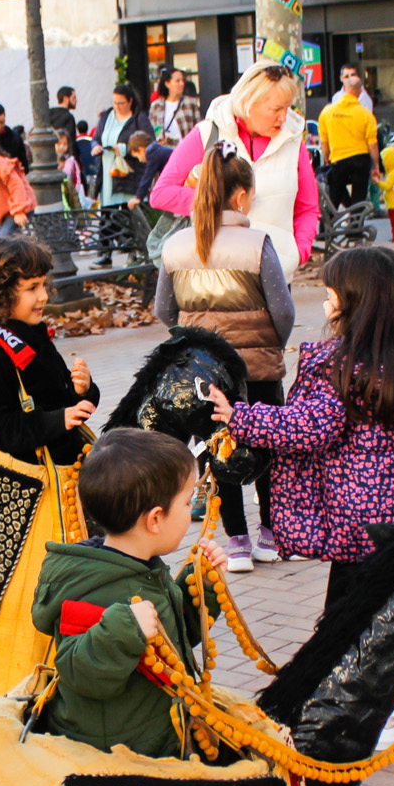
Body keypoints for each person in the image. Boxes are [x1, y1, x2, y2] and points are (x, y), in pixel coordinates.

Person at [205, 245, 394, 741]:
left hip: (362, 526)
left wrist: (238, 415)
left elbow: (310, 427)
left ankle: (373, 712)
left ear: (357, 303)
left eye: (331, 297)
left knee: (352, 622)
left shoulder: (344, 365)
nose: (326, 306)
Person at [27, 427, 228, 758]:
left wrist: (202, 587)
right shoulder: (94, 587)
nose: (194, 507)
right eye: (188, 501)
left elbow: (172, 642)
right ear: (154, 520)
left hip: (158, 734)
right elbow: (80, 675)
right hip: (117, 755)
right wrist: (124, 629)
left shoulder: (143, 568)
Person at [153, 143, 294, 571]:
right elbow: (283, 309)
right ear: (241, 197)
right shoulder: (258, 244)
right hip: (260, 370)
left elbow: (163, 309)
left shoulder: (176, 246)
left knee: (220, 449)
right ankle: (271, 535)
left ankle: (236, 541)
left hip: (203, 373)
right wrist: (271, 343)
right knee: (269, 447)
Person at [151, 62, 318, 265]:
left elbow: (308, 207)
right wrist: (216, 200)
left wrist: (298, 252)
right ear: (249, 102)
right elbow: (160, 194)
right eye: (276, 108)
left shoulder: (292, 141)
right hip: (218, 274)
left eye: (287, 107)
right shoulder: (207, 133)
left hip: (276, 274)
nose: (284, 116)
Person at [0, 235, 97, 465]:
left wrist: (81, 391)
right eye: (32, 288)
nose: (44, 296)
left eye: (43, 284)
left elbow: (57, 397)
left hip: (66, 462)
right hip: (34, 478)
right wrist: (57, 420)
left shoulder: (32, 333)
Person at [318, 74, 378, 208]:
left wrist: (327, 158)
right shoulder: (366, 114)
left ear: (344, 88)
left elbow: (324, 142)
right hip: (361, 159)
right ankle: (356, 223)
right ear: (360, 91)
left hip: (339, 159)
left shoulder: (327, 112)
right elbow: (372, 145)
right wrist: (376, 166)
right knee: (359, 196)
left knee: (334, 195)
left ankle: (326, 226)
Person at [91, 84, 148, 209]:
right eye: (114, 102)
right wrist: (95, 146)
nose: (117, 106)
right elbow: (96, 138)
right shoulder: (107, 116)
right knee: (109, 216)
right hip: (107, 175)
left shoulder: (139, 118)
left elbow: (147, 143)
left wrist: (125, 149)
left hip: (129, 177)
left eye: (121, 103)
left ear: (130, 101)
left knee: (127, 216)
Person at [151, 67, 202, 145]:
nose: (181, 83)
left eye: (182, 80)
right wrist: (159, 139)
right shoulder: (157, 106)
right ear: (167, 84)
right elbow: (153, 127)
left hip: (186, 147)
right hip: (165, 149)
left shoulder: (190, 103)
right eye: (177, 81)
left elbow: (199, 127)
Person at [52, 125, 84, 208]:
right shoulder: (51, 162)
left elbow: (77, 181)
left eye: (64, 144)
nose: (62, 147)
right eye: (58, 143)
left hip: (70, 195)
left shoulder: (71, 161)